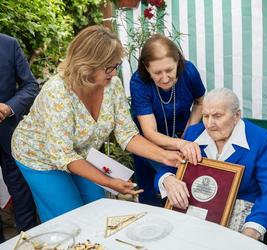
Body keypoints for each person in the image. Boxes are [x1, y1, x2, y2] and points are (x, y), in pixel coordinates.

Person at [11, 25, 183, 223]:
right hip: (39, 157)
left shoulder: (112, 85)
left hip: (78, 154)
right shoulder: (57, 91)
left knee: (96, 206)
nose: (113, 72)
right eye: (108, 67)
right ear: (87, 64)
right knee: (70, 217)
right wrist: (110, 182)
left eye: (116, 65)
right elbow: (62, 155)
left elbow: (127, 134)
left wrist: (165, 156)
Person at [155, 88, 267, 240]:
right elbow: (167, 167)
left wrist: (252, 229)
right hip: (195, 209)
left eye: (217, 116)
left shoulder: (260, 139)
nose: (210, 124)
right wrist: (168, 180)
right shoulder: (193, 134)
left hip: (239, 213)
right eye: (205, 116)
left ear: (237, 115)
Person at [130, 34, 206, 206]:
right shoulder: (138, 82)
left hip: (185, 138)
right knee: (153, 198)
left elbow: (200, 102)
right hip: (151, 148)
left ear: (178, 61)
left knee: (188, 194)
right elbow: (149, 132)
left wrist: (188, 137)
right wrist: (180, 144)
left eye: (169, 70)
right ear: (146, 68)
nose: (164, 78)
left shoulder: (189, 71)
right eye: (157, 72)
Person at [0, 33, 38, 242]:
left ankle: (29, 242)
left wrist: (8, 107)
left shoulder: (9, 44)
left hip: (10, 138)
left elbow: (30, 85)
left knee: (23, 198)